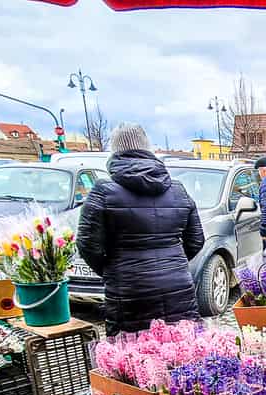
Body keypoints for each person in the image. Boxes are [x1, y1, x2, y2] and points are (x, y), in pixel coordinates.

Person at [76, 124, 205, 335]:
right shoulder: (179, 190)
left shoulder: (102, 192)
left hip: (128, 289)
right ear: (148, 150)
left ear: (115, 152)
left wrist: (113, 269)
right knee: (183, 351)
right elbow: (196, 240)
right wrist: (171, 261)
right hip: (177, 285)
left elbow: (87, 245)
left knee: (132, 357)